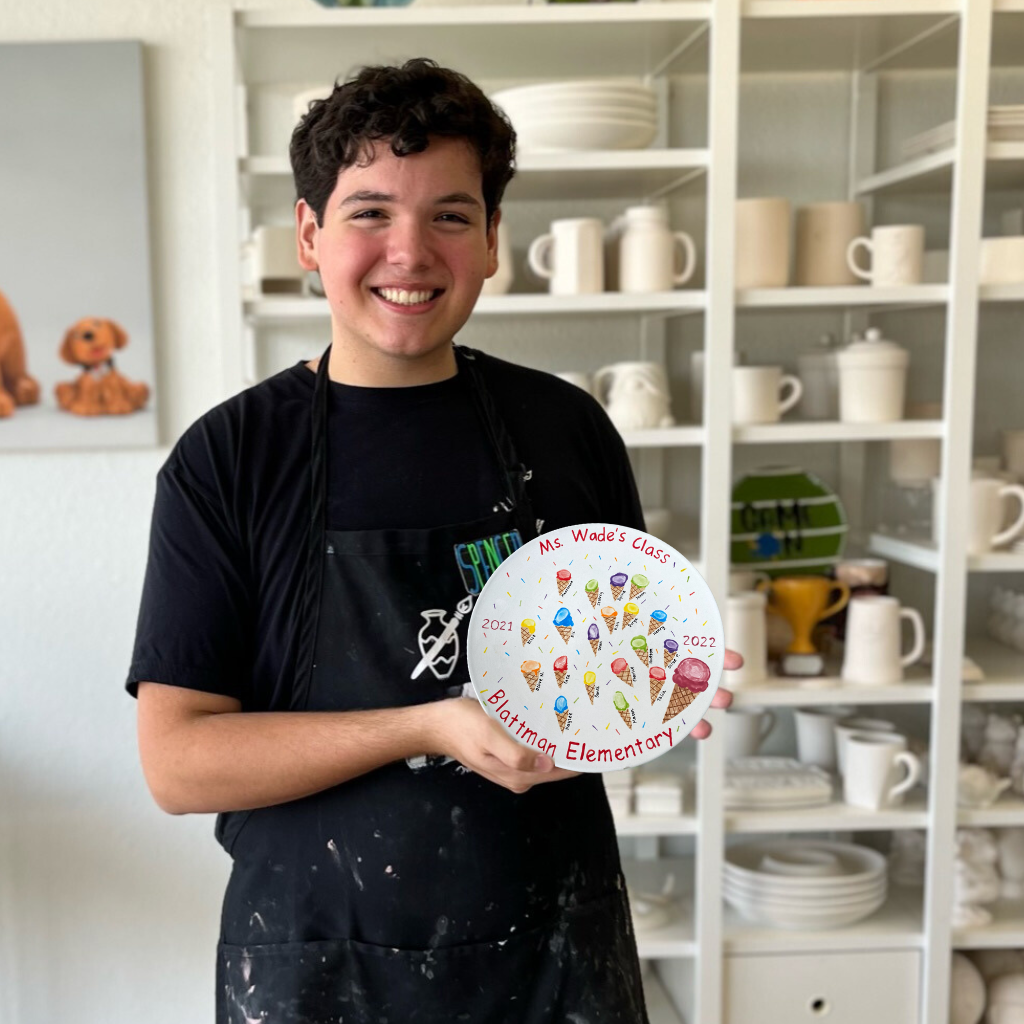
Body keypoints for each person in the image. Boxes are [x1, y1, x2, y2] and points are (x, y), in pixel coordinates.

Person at [127, 58, 737, 1024]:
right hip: (319, 962)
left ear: (493, 240)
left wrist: (653, 688)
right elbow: (178, 765)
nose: (409, 253)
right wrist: (427, 724)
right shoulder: (232, 457)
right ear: (310, 235)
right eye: (370, 212)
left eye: (450, 215)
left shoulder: (566, 429)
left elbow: (604, 670)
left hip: (550, 953)